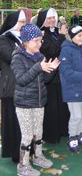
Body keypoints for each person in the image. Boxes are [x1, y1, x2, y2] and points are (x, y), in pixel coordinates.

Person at [11, 23, 60, 176]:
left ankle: (38, 156)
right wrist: (39, 67)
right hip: (24, 103)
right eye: (37, 40)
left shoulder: (40, 56)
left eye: (41, 40)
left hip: (39, 102)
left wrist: (51, 69)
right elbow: (21, 80)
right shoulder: (18, 58)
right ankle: (23, 166)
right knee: (27, 136)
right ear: (26, 41)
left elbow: (44, 80)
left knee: (38, 132)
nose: (40, 43)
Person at [59, 25, 82, 152]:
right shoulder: (66, 50)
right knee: (76, 116)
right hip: (72, 89)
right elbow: (66, 70)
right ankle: (72, 136)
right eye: (79, 36)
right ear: (72, 37)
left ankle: (80, 134)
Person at [36, 8, 70, 143]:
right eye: (49, 18)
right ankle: (51, 135)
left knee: (63, 105)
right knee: (51, 106)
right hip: (50, 75)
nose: (51, 20)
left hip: (62, 74)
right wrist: (62, 36)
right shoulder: (41, 34)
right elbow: (51, 51)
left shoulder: (57, 31)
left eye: (53, 18)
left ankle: (63, 130)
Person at [0, 10, 26, 163]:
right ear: (14, 24)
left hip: (24, 84)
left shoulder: (22, 38)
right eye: (21, 22)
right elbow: (12, 58)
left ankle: (26, 149)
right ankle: (15, 152)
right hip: (10, 86)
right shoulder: (3, 39)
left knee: (25, 121)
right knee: (13, 120)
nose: (24, 25)